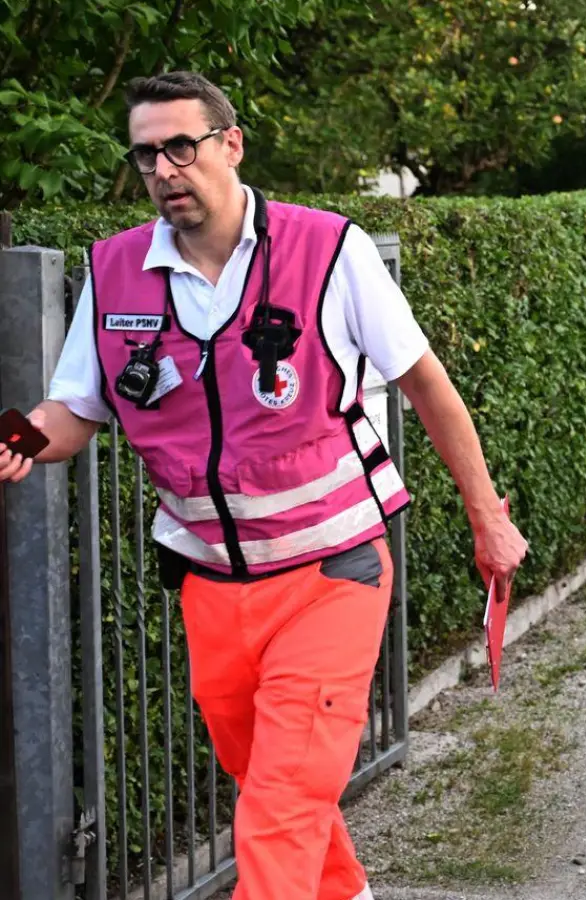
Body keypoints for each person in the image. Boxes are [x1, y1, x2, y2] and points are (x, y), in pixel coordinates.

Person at [0, 71, 528, 900]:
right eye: (146, 155)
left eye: (182, 146)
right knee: (278, 788)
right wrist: (16, 440)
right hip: (213, 588)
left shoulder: (328, 249)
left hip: (332, 574)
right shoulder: (117, 274)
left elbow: (426, 382)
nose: (165, 169)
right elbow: (77, 409)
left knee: (279, 811)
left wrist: (486, 517)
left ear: (231, 145)